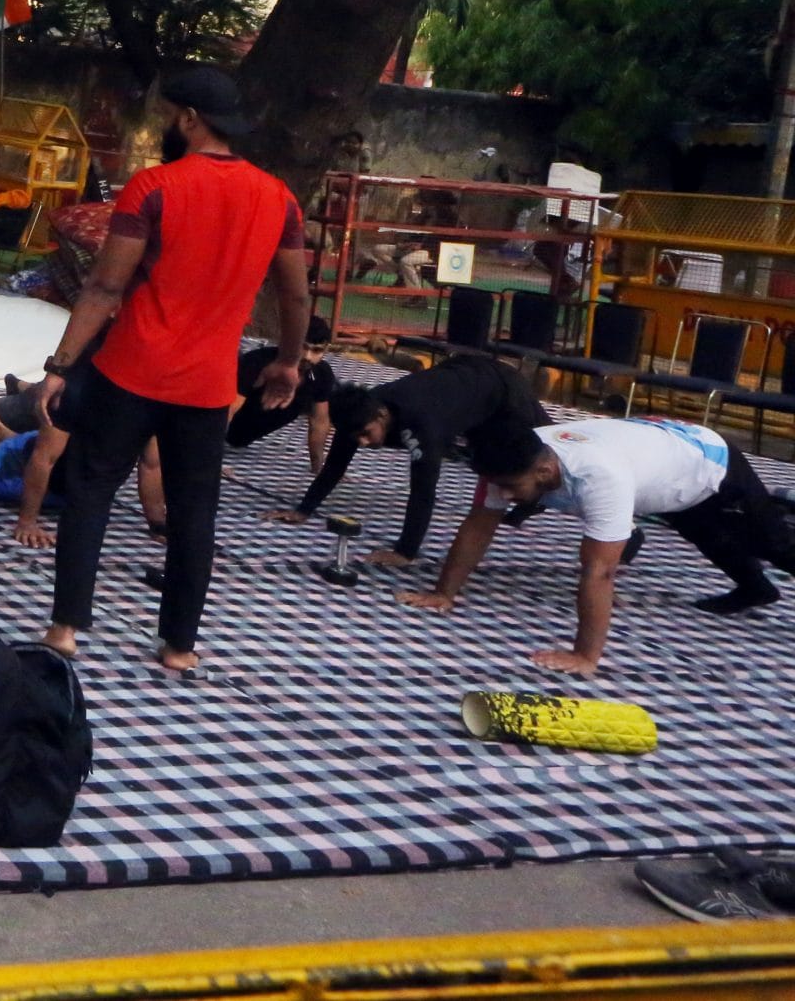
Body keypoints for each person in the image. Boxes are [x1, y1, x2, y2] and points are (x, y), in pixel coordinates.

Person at [34, 66, 313, 672]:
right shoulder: (279, 198)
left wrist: (60, 365)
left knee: (90, 492)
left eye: (171, 115)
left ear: (189, 119)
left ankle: (65, 630)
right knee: (195, 512)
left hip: (130, 370)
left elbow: (106, 287)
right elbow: (295, 297)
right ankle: (179, 646)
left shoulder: (153, 187)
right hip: (208, 386)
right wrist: (288, 362)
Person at [404, 416, 795, 673]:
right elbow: (478, 526)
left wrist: (585, 656)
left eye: (511, 489)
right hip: (660, 475)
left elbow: (601, 571)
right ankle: (756, 589)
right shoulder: (514, 456)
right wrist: (444, 593)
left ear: (545, 470)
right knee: (705, 533)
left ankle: (757, 582)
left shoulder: (599, 477)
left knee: (774, 543)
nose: (503, 497)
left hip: (707, 462)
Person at [264, 351, 544, 566]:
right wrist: (304, 510)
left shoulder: (421, 425)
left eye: (366, 434)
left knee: (532, 454)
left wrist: (405, 552)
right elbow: (335, 465)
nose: (362, 443)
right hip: (463, 378)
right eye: (357, 438)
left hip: (502, 390)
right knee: (487, 457)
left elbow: (423, 491)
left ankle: (532, 504)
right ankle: (529, 505)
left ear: (382, 417)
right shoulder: (360, 409)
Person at [0, 367, 166, 546]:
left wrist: (158, 525)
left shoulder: (147, 410)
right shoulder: (82, 399)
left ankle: (0, 432)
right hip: (28, 464)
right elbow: (42, 460)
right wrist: (28, 522)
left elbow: (151, 467)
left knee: (9, 420)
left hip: (64, 474)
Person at [229, 317, 339, 464]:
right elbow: (227, 410)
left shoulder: (321, 374)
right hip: (220, 431)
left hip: (242, 439)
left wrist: (318, 468)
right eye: (303, 347)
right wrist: (212, 460)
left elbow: (319, 422)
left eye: (316, 350)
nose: (307, 356)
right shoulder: (258, 362)